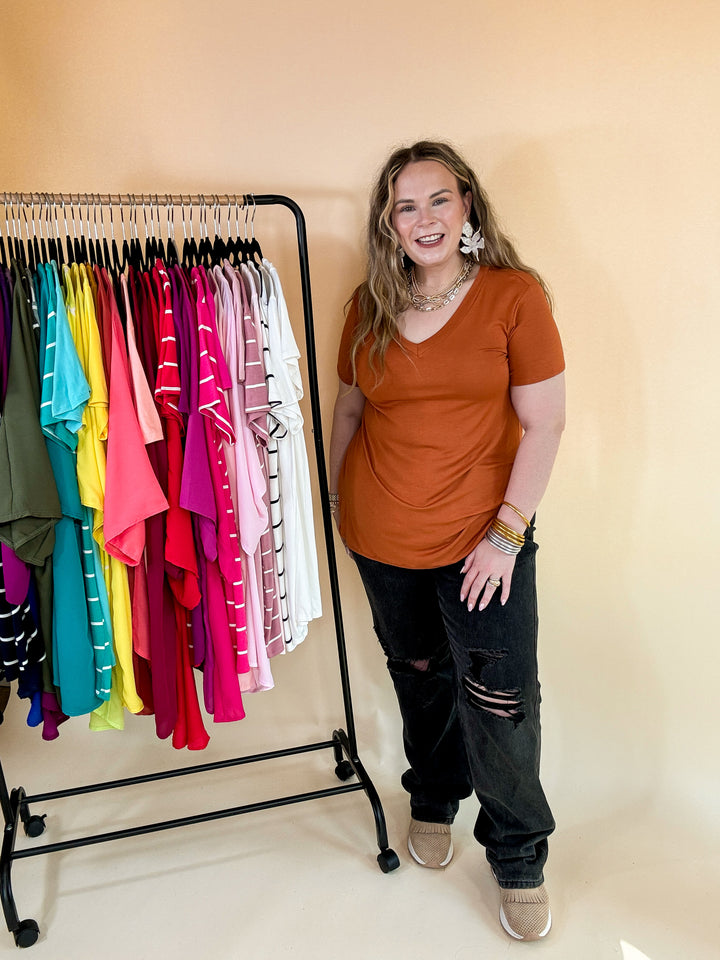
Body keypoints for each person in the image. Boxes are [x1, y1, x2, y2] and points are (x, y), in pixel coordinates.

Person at [329, 141, 565, 941]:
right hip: (380, 533)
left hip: (482, 540)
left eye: (439, 200)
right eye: (405, 205)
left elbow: (545, 421)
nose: (424, 219)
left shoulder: (512, 295)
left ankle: (519, 853)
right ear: (387, 224)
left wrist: (506, 536)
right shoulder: (368, 304)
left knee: (502, 698)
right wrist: (336, 499)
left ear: (467, 206)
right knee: (420, 675)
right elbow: (351, 411)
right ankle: (433, 796)